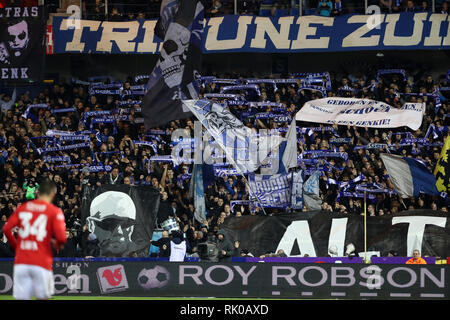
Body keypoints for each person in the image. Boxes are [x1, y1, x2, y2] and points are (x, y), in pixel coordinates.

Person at [2, 179, 67, 300]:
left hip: (21, 262)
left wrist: (17, 247)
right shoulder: (54, 211)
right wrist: (58, 244)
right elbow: (62, 238)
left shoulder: (23, 208)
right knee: (43, 297)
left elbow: (6, 229)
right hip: (41, 261)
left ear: (37, 193)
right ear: (52, 194)